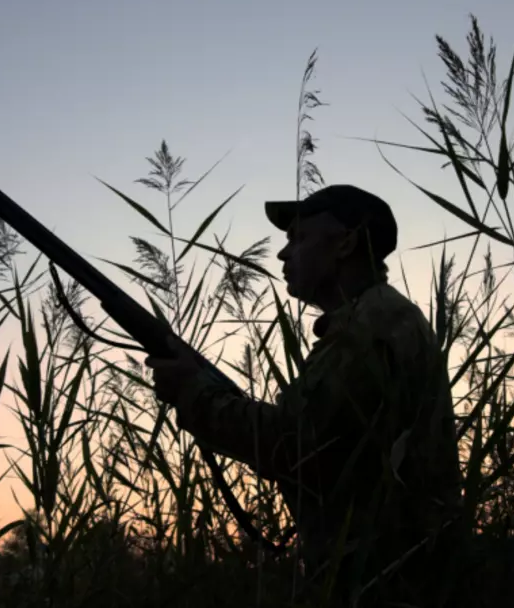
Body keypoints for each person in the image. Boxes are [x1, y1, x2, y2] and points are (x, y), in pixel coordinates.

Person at [145, 184, 463, 606]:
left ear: (346, 243)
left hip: (383, 582)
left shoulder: (368, 326)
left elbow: (295, 444)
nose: (283, 253)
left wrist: (194, 393)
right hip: (397, 575)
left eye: (298, 238)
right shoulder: (378, 316)